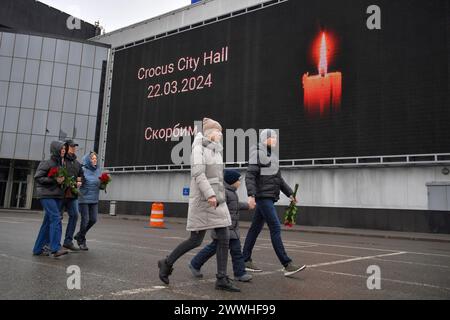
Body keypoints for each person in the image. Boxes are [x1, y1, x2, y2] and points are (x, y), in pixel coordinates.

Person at [158, 118, 240, 292]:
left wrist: (219, 195)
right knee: (195, 240)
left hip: (216, 201)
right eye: (219, 131)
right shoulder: (198, 148)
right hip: (205, 201)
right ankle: (166, 263)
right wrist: (210, 194)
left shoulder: (216, 151)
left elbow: (217, 178)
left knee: (224, 236)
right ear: (210, 132)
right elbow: (198, 174)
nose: (221, 134)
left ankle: (221, 278)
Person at [243, 129, 306, 276]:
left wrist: (290, 193)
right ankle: (287, 264)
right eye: (274, 137)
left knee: (255, 228)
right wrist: (251, 195)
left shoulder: (272, 156)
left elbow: (279, 179)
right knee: (275, 228)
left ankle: (245, 259)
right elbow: (250, 175)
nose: (276, 139)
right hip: (263, 197)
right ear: (266, 138)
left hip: (269, 196)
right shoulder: (257, 153)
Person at [189, 169, 254, 282]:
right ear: (232, 181)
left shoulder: (231, 192)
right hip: (223, 228)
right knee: (214, 248)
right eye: (238, 180)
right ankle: (195, 263)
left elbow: (234, 205)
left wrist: (247, 206)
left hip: (232, 228)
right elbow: (220, 207)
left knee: (236, 250)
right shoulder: (224, 192)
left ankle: (240, 273)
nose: (240, 182)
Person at [32, 141, 69, 258]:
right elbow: (38, 177)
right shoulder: (46, 163)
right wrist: (54, 180)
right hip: (46, 195)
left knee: (47, 222)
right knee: (56, 218)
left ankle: (37, 249)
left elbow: (61, 181)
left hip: (57, 196)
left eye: (64, 149)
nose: (63, 150)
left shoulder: (61, 165)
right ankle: (55, 248)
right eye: (61, 148)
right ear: (56, 149)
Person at [74, 152, 101, 251]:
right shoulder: (82, 170)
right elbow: (78, 182)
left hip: (94, 198)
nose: (95, 160)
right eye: (92, 158)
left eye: (95, 158)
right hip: (84, 198)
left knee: (93, 219)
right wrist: (78, 184)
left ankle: (79, 234)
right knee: (85, 220)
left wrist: (103, 184)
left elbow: (99, 183)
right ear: (87, 160)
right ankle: (81, 240)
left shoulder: (98, 170)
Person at [61, 139, 83, 251]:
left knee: (74, 215)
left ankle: (68, 241)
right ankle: (51, 242)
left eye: (74, 146)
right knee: (57, 218)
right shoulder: (62, 160)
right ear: (66, 147)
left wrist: (79, 181)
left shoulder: (77, 163)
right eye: (71, 146)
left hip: (73, 194)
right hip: (60, 194)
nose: (74, 148)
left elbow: (80, 175)